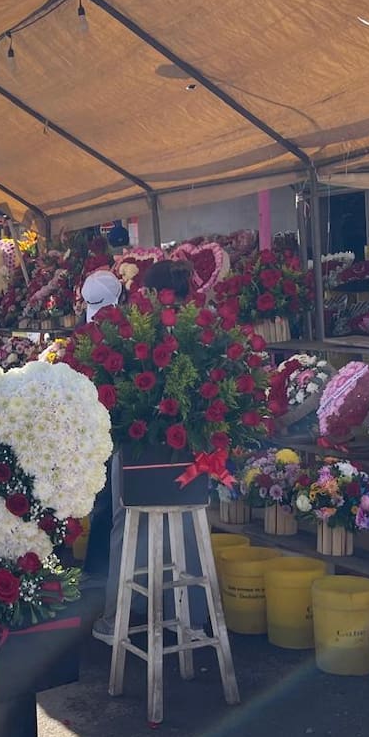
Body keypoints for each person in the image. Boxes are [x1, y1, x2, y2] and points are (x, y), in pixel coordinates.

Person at [94, 258, 210, 642]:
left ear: (147, 292)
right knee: (189, 529)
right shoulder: (200, 331)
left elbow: (116, 386)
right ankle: (193, 622)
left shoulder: (134, 333)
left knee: (125, 527)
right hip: (188, 449)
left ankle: (119, 620)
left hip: (137, 448)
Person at [78, 269, 123, 596]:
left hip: (107, 425)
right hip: (102, 426)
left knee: (105, 499)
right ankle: (99, 568)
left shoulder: (118, 332)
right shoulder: (122, 330)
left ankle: (99, 568)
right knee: (105, 499)